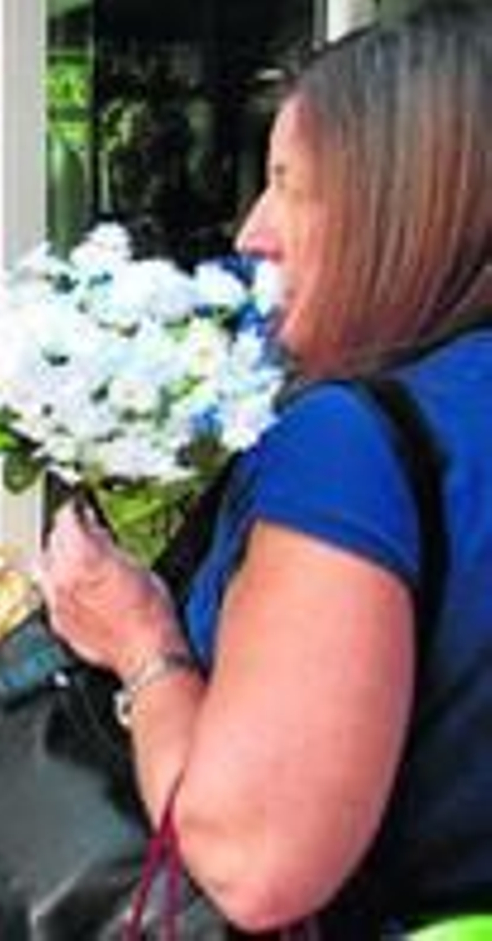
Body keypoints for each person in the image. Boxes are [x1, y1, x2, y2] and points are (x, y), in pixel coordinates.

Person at [39, 4, 492, 935]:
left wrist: (141, 643)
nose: (253, 232)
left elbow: (254, 861)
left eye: (289, 185)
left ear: (397, 204)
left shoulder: (350, 443)